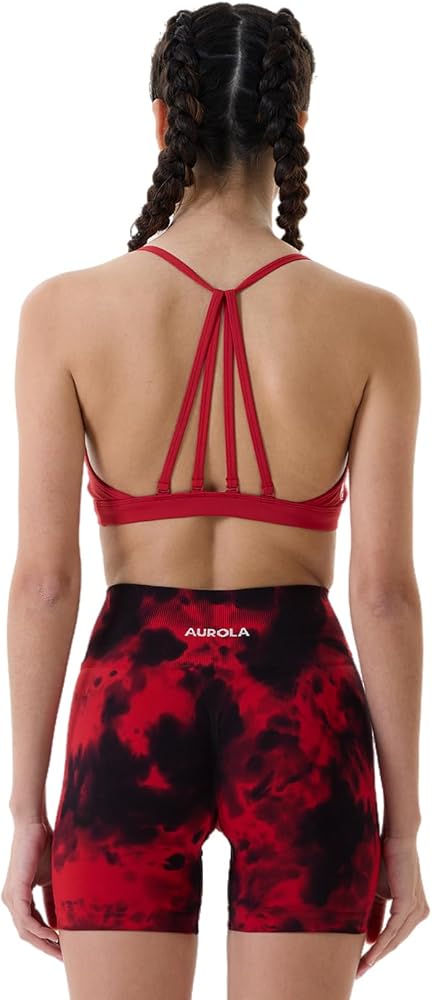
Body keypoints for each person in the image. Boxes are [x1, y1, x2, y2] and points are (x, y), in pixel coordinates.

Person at [2, 4, 429, 999]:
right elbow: (384, 595)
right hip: (301, 704)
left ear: (163, 120)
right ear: (297, 123)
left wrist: (27, 811)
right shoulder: (373, 321)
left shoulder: (63, 310)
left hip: (132, 696)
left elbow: (45, 581)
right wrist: (405, 830)